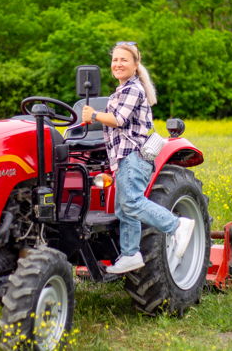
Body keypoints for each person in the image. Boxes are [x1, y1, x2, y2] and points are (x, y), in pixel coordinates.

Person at [81, 41, 194, 274]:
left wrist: (94, 115)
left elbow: (119, 119)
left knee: (131, 202)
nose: (118, 64)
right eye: (115, 60)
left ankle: (176, 225)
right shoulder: (121, 90)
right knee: (124, 209)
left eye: (124, 60)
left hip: (132, 157)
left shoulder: (133, 88)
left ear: (135, 64)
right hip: (122, 159)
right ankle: (131, 253)